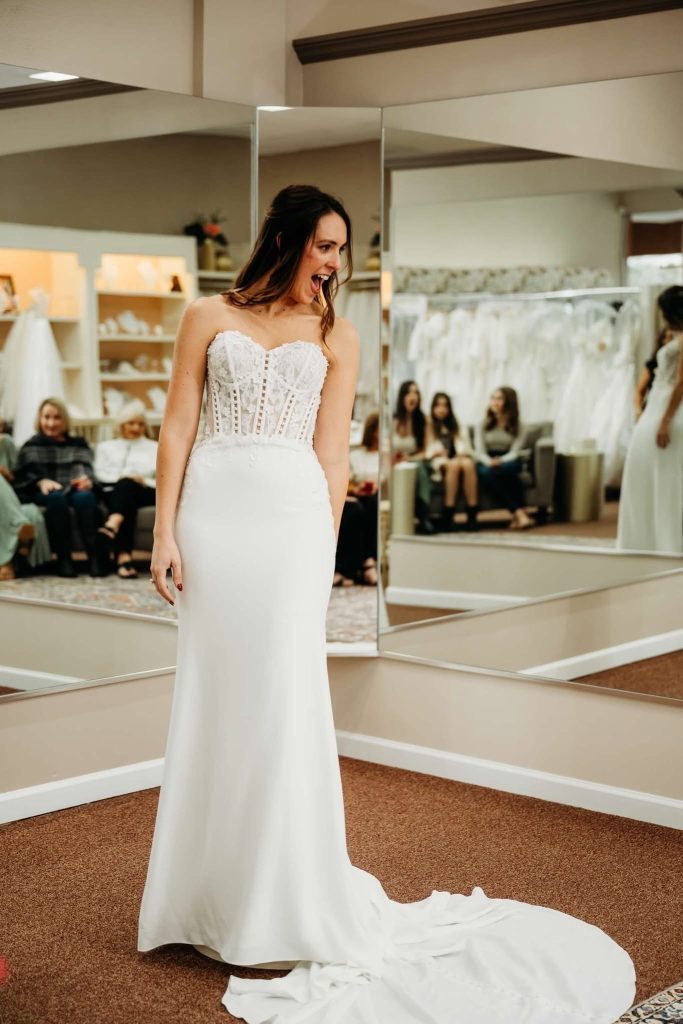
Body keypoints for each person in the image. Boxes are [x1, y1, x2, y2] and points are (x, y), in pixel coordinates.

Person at [137, 184, 635, 1023]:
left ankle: (282, 900)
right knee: (215, 696)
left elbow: (333, 456)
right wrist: (163, 532)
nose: (334, 264)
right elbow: (177, 427)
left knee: (283, 702)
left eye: (341, 250)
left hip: (291, 522)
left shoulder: (338, 332)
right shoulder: (206, 316)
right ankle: (204, 898)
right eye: (324, 246)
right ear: (285, 240)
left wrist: (323, 551)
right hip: (213, 519)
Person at [618, 285, 683, 553]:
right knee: (650, 474)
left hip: (667, 411)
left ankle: (664, 542)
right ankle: (648, 540)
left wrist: (665, 420)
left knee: (665, 477)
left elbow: (681, 382)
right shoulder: (676, 336)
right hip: (657, 407)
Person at [13, 398, 107, 577]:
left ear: (65, 420)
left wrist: (87, 481)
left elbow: (88, 470)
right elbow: (21, 478)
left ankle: (95, 558)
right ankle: (64, 560)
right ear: (40, 419)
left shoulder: (78, 443)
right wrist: (40, 481)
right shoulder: (30, 445)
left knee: (85, 497)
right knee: (57, 498)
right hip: (45, 492)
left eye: (57, 417)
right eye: (47, 417)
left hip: (74, 488)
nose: (51, 423)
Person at [95, 400, 157, 579]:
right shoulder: (105, 447)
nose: (136, 428)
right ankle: (124, 559)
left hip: (146, 490)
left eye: (140, 424)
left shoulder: (155, 447)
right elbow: (99, 474)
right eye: (131, 423)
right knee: (126, 496)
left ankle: (112, 525)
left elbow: (162, 479)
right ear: (121, 424)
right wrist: (125, 478)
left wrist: (143, 480)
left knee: (126, 492)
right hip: (114, 490)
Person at [474, 386, 534, 530]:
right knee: (487, 473)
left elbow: (515, 451)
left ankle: (518, 516)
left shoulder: (520, 425)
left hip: (509, 459)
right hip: (487, 459)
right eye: (493, 398)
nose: (494, 402)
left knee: (507, 470)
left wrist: (501, 461)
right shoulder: (482, 424)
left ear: (509, 402)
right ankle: (519, 513)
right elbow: (479, 451)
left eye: (499, 399)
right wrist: (489, 461)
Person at [0, 419, 51, 580]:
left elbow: (18, 478)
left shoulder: (6, 443)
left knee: (30, 512)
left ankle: (7, 563)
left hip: (8, 498)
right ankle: (18, 531)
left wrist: (5, 473)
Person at [334, 410, 379, 586]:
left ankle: (363, 563)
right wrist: (355, 490)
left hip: (374, 498)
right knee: (357, 509)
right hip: (356, 496)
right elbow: (348, 482)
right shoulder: (356, 456)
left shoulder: (385, 456)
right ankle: (365, 563)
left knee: (370, 504)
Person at [426, 391, 478, 532]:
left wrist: (463, 453)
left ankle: (472, 514)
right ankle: (448, 514)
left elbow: (467, 448)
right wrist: (436, 453)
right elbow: (427, 450)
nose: (441, 409)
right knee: (454, 465)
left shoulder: (456, 424)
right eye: (438, 405)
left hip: (459, 458)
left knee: (468, 464)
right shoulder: (429, 424)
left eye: (445, 406)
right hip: (439, 461)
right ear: (433, 407)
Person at [392, 380, 435, 534]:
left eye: (416, 393)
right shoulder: (393, 420)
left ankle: (424, 514)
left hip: (416, 460)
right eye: (409, 393)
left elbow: (426, 451)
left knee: (420, 468)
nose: (413, 396)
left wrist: (409, 459)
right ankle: (422, 515)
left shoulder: (423, 420)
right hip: (395, 462)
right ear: (402, 396)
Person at [633, 326, 672, 418]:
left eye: (672, 338)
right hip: (653, 409)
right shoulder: (652, 365)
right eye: (666, 338)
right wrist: (638, 411)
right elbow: (640, 390)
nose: (669, 342)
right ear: (661, 340)